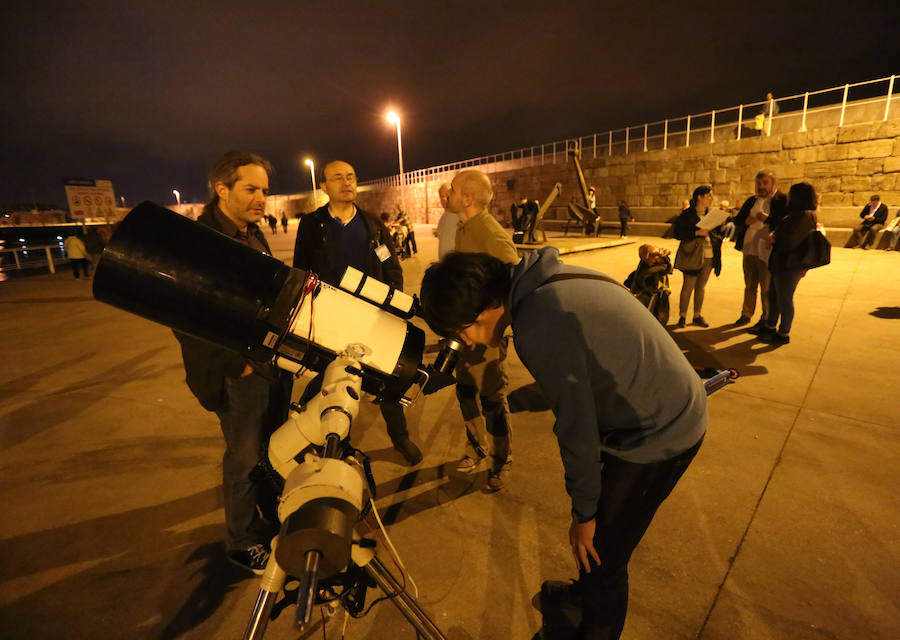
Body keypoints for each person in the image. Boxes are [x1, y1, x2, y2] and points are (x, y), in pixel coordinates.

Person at [419, 249, 707, 640]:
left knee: (603, 554)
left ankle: (595, 627)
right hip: (652, 406)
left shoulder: (539, 324)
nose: (464, 341)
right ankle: (580, 595)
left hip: (661, 432)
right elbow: (578, 377)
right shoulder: (541, 284)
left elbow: (577, 429)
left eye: (460, 330)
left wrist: (584, 514)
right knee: (596, 540)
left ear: (485, 307)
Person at [174, 151, 292, 575]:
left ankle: (270, 519)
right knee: (243, 459)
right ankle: (241, 542)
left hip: (266, 363)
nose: (262, 197)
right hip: (237, 372)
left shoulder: (251, 234)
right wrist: (234, 364)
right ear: (222, 190)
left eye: (264, 189)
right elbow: (185, 317)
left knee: (270, 452)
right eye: (251, 189)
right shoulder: (201, 242)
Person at [292, 160, 422, 466]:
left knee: (387, 377)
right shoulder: (312, 225)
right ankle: (338, 442)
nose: (346, 182)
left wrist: (394, 306)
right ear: (323, 187)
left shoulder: (372, 224)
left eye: (351, 176)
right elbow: (300, 271)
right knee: (333, 382)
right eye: (337, 178)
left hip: (372, 316)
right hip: (331, 317)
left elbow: (391, 266)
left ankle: (400, 436)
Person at [448, 170, 519, 492]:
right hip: (463, 332)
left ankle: (502, 462)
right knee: (464, 390)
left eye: (452, 190)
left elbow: (514, 276)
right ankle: (477, 448)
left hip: (484, 337)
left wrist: (493, 322)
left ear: (467, 198)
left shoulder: (489, 232)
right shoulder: (464, 228)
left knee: (491, 398)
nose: (447, 194)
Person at [756, 183, 820, 345]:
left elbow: (791, 240)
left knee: (785, 298)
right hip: (782, 262)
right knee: (774, 295)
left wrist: (774, 238)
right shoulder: (796, 214)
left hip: (790, 264)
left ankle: (783, 333)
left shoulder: (805, 216)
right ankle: (770, 326)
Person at [731, 170, 788, 329]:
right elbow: (738, 220)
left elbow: (786, 223)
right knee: (749, 285)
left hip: (767, 251)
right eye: (759, 183)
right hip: (749, 249)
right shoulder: (751, 201)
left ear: (773, 183)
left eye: (765, 183)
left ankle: (766, 318)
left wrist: (768, 219)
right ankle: (746, 314)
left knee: (766, 287)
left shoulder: (781, 200)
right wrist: (745, 221)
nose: (761, 187)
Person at [673, 185, 715, 328]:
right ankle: (682, 316)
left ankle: (697, 315)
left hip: (709, 255)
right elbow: (677, 233)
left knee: (701, 287)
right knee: (688, 286)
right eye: (709, 195)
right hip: (693, 255)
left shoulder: (712, 214)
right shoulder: (687, 215)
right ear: (700, 197)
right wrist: (696, 233)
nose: (712, 198)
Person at [624, 244, 672, 325]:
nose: (655, 259)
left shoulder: (659, 267)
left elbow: (667, 269)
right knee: (648, 315)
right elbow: (640, 279)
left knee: (655, 315)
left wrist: (663, 257)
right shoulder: (647, 268)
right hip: (648, 293)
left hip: (656, 293)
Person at [435, 182, 459, 259]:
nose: (444, 199)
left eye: (448, 196)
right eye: (442, 196)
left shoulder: (460, 216)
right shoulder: (444, 216)